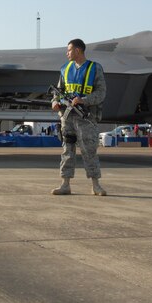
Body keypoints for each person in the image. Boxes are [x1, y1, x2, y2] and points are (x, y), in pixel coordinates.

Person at [50, 38, 107, 196]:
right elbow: (58, 91)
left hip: (86, 118)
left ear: (78, 50)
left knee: (89, 151)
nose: (67, 53)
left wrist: (84, 100)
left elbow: (101, 92)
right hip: (67, 117)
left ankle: (96, 185)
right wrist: (55, 102)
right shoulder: (65, 69)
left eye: (69, 50)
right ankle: (65, 184)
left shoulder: (94, 68)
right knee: (67, 150)